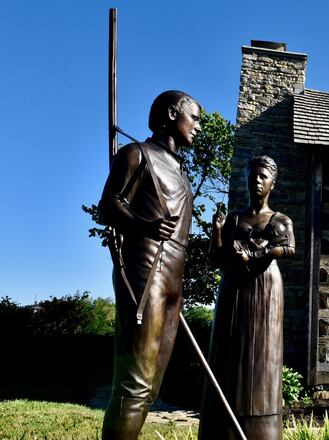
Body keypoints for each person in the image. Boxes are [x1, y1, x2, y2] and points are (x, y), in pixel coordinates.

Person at [99, 90, 201, 439]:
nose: (198, 127)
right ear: (173, 114)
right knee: (135, 383)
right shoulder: (136, 154)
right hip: (147, 270)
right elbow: (109, 205)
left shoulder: (179, 168)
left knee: (152, 385)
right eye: (195, 117)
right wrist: (143, 225)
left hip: (174, 277)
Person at [199, 155, 295, 440]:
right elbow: (216, 257)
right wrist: (217, 232)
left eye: (263, 176)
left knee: (263, 354)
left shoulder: (280, 219)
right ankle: (223, 418)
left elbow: (289, 248)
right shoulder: (233, 219)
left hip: (266, 290)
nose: (256, 180)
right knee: (228, 352)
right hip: (234, 290)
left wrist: (258, 253)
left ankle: (261, 422)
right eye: (252, 175)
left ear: (272, 183)